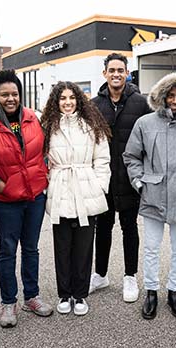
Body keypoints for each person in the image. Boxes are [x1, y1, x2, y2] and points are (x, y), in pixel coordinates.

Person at [0, 69, 53, 328]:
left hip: (35, 196)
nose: (10, 98)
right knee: (8, 250)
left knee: (31, 248)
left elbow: (44, 150)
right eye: (4, 94)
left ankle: (32, 296)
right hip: (5, 201)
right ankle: (8, 302)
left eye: (14, 93)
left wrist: (43, 174)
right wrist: (1, 185)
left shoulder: (32, 118)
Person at [123, 72, 176, 320]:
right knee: (151, 248)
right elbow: (131, 156)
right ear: (163, 96)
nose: (175, 100)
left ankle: (174, 292)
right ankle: (151, 291)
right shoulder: (144, 123)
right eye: (171, 95)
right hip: (153, 195)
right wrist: (139, 182)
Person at [41, 81, 111, 316]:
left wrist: (99, 187)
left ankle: (80, 294)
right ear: (56, 101)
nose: (68, 102)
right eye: (62, 98)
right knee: (62, 246)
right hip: (60, 186)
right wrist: (47, 183)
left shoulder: (90, 124)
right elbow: (40, 158)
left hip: (85, 189)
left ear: (79, 100)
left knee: (83, 246)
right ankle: (64, 294)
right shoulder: (48, 126)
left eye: (72, 97)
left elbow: (102, 159)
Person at [90, 52, 150, 303]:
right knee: (102, 229)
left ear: (127, 73)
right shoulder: (93, 105)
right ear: (104, 74)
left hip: (129, 180)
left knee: (129, 229)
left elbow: (149, 140)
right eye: (111, 70)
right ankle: (100, 274)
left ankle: (129, 277)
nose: (116, 74)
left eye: (120, 70)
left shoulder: (141, 103)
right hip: (103, 180)